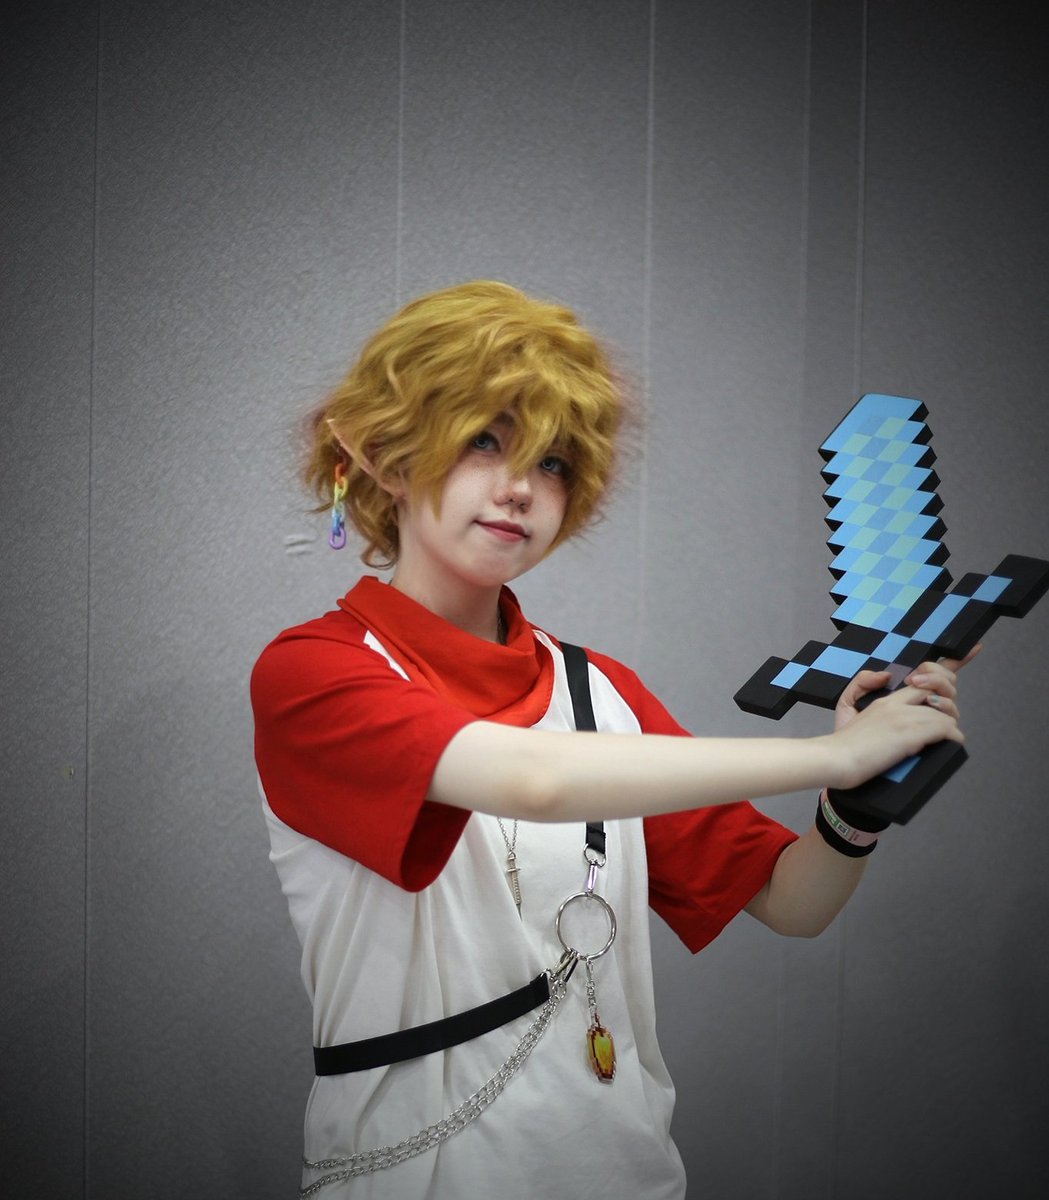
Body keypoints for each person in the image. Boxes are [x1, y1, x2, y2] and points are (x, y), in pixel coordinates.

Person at [250, 280, 969, 1199]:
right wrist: (831, 755)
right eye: (483, 441)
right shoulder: (312, 674)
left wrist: (858, 794)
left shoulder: (600, 695)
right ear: (390, 459)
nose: (519, 488)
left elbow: (794, 902)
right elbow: (533, 780)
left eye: (551, 462)